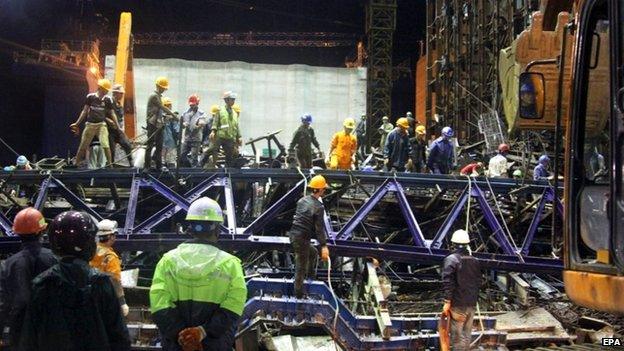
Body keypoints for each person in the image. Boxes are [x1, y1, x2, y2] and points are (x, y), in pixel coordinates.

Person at [19, 211, 131, 350]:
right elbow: (120, 338)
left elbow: (30, 339)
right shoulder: (101, 283)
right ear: (90, 243)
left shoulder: (42, 284)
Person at [150, 197, 247, 351]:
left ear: (191, 228)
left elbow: (159, 305)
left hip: (177, 345)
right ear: (217, 229)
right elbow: (234, 307)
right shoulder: (230, 264)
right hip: (214, 344)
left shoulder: (167, 261)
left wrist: (183, 337)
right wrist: (201, 333)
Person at [0, 208, 57, 348]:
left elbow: (4, 301)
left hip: (19, 330)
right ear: (41, 230)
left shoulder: (9, 264)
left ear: (17, 232)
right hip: (50, 328)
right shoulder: (54, 259)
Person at [288, 175, 330, 298]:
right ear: (321, 190)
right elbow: (319, 229)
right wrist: (324, 246)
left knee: (313, 253)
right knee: (300, 268)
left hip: (293, 235)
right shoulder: (319, 207)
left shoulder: (301, 201)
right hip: (302, 239)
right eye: (324, 189)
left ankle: (311, 276)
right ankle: (298, 295)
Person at [441, 229, 482, 351]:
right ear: (467, 244)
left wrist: (447, 302)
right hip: (471, 304)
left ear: (453, 244)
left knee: (458, 338)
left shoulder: (451, 260)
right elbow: (479, 282)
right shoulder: (475, 261)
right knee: (466, 335)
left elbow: (448, 282)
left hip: (458, 305)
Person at [69, 78, 116, 167]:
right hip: (90, 124)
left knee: (105, 145)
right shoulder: (90, 97)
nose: (106, 92)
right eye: (105, 90)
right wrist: (77, 123)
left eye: (107, 90)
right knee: (83, 145)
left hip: (101, 125)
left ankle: (110, 164)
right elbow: (84, 111)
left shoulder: (107, 100)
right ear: (100, 88)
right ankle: (76, 164)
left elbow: (112, 113)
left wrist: (117, 125)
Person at [90, 219, 129, 317]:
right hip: (105, 299)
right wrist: (122, 302)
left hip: (88, 296)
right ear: (111, 237)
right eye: (114, 235)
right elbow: (115, 280)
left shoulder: (90, 251)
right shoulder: (110, 257)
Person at [144, 76, 176, 171]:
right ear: (158, 86)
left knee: (159, 145)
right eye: (163, 88)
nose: (164, 90)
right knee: (149, 145)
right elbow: (162, 107)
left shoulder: (159, 96)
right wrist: (173, 115)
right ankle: (147, 167)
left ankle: (159, 166)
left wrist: (166, 118)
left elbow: (160, 111)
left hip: (158, 124)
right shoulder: (154, 96)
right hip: (152, 124)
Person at [206, 91, 242, 168]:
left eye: (233, 100)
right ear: (226, 100)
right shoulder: (220, 111)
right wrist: (213, 131)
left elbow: (236, 125)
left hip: (230, 136)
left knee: (230, 154)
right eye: (231, 99)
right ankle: (212, 165)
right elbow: (215, 122)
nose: (233, 101)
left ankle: (227, 168)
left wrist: (239, 137)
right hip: (220, 135)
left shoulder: (234, 113)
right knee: (214, 150)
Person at [109, 84, 134, 166]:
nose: (122, 95)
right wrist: (108, 120)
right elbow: (103, 115)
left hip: (118, 130)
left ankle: (131, 163)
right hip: (110, 130)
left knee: (127, 145)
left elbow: (120, 118)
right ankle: (110, 166)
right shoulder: (109, 102)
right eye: (121, 93)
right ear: (115, 93)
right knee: (111, 149)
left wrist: (121, 128)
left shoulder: (119, 105)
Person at [180, 94, 207, 168]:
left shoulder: (201, 113)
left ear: (197, 103)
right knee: (182, 155)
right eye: (191, 105)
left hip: (196, 139)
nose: (191, 106)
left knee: (194, 157)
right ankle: (187, 168)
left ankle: (194, 172)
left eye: (193, 105)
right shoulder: (185, 113)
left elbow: (202, 122)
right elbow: (183, 124)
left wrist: (199, 126)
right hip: (187, 138)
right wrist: (183, 125)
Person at [161, 97, 180, 169]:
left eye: (169, 105)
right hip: (162, 141)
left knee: (171, 159)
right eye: (166, 105)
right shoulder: (160, 116)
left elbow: (177, 129)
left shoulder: (173, 117)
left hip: (171, 141)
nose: (168, 107)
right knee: (162, 156)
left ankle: (170, 166)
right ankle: (162, 165)